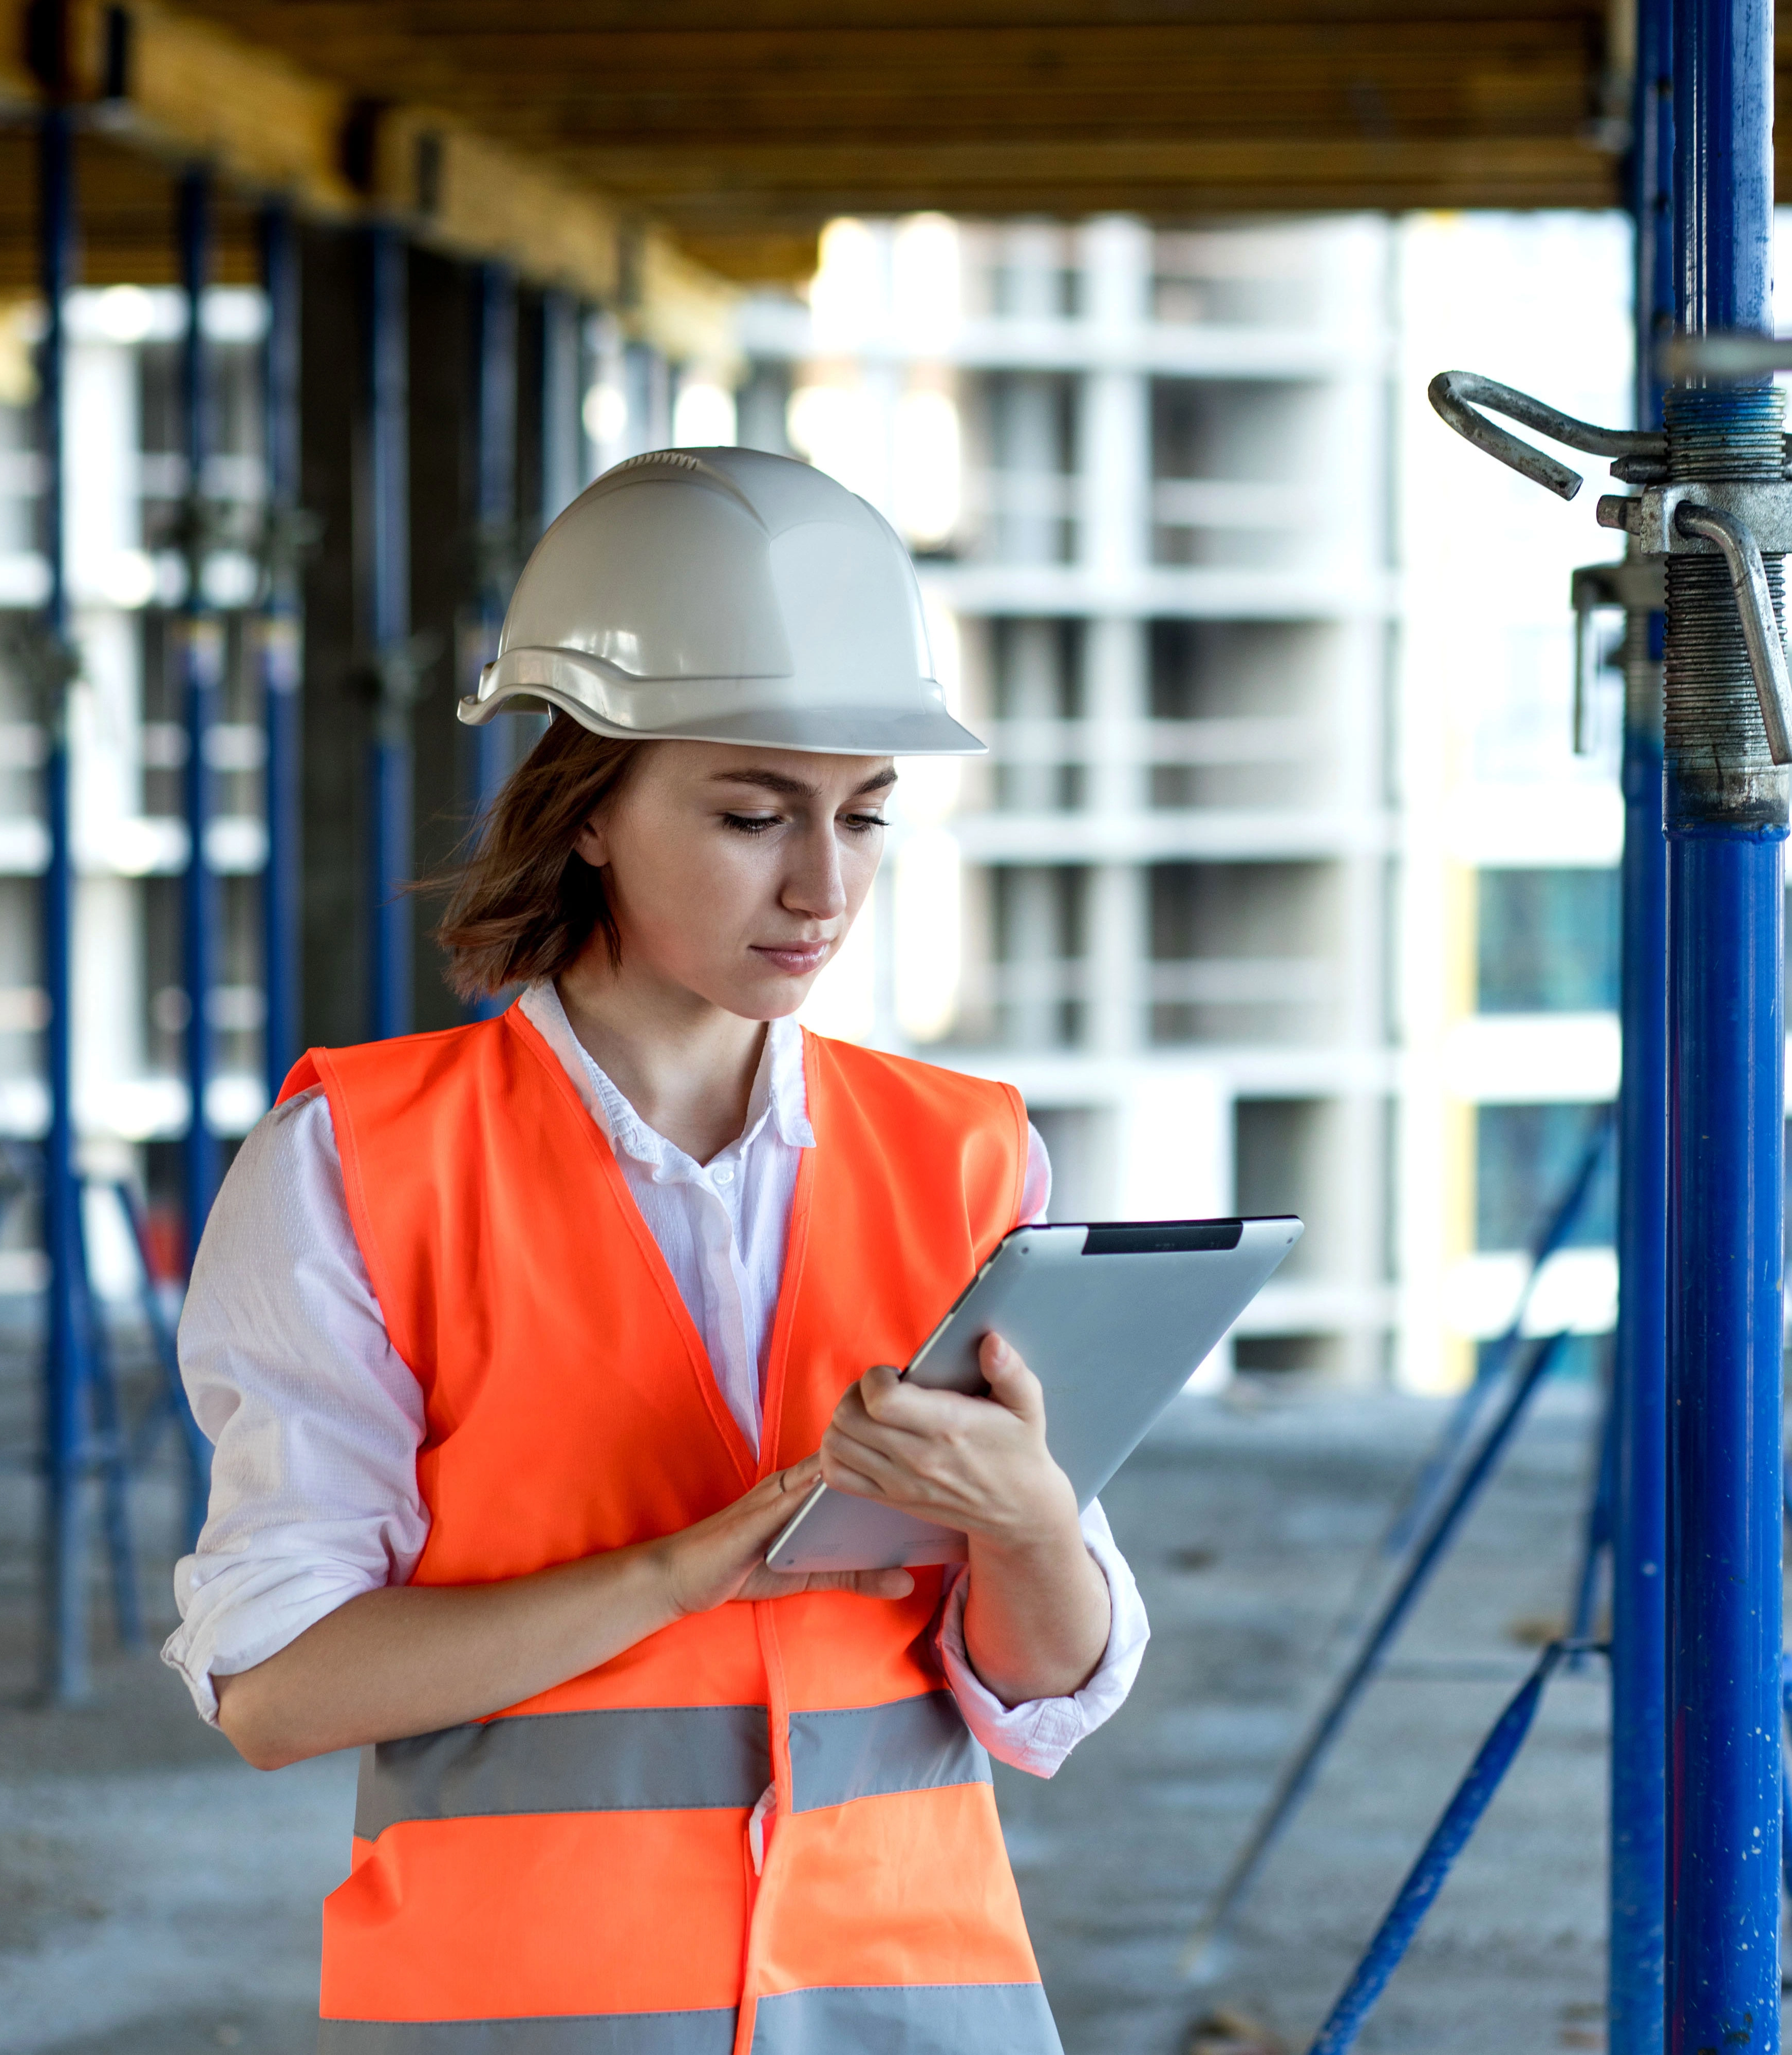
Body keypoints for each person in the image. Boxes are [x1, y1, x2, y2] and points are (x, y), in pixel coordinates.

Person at [164, 448, 1148, 2054]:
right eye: (754, 814)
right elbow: (280, 1687)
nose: (822, 884)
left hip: (911, 2013)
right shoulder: (363, 1166)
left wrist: (1035, 1522)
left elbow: (1038, 1693)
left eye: (866, 817)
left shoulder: (972, 1159)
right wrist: (685, 1568)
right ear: (589, 816)